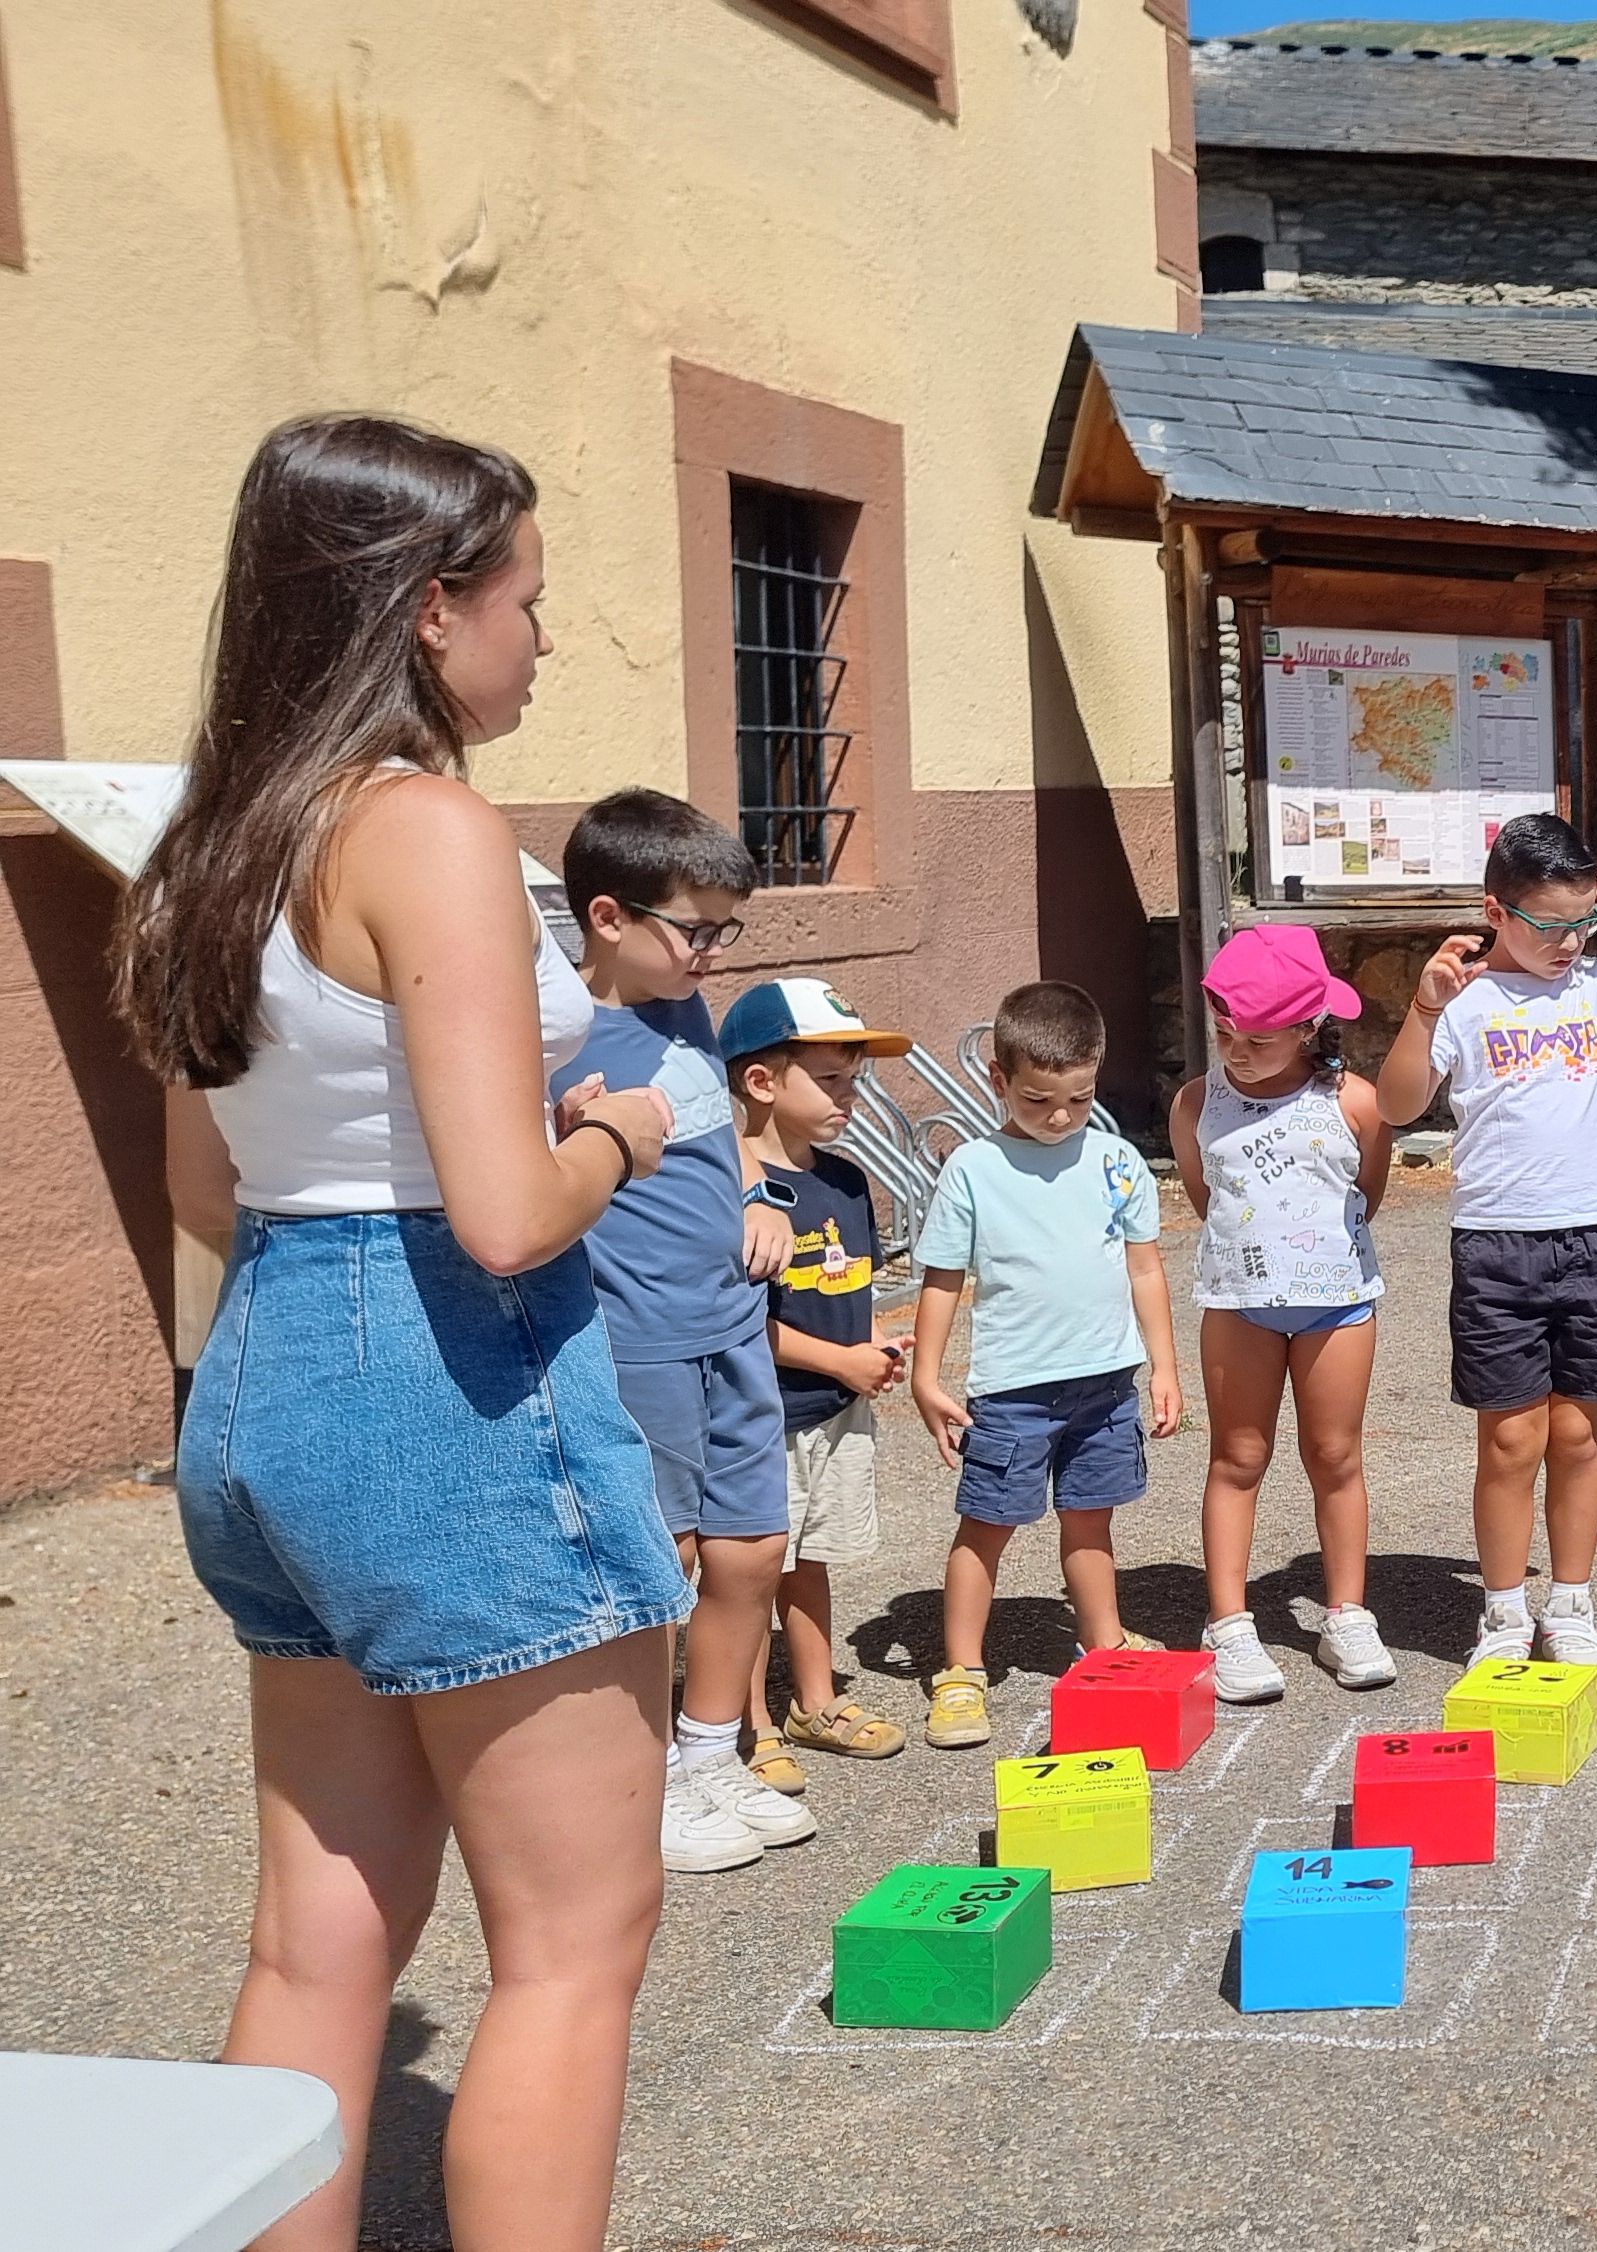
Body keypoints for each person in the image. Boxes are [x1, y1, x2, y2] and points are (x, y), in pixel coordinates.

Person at [123, 415, 682, 2250]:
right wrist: (624, 1124)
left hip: (270, 1360)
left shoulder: (211, 837)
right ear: (433, 611)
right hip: (446, 1363)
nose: (545, 639)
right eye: (527, 598)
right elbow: (505, 1208)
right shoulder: (424, 826)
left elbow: (206, 1194)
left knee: (317, 1938)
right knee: (569, 1948)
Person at [1377, 814, 1597, 1681]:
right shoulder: (1464, 1002)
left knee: (1578, 1435)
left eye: (1583, 923)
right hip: (1498, 1247)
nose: (1570, 942)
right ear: (1495, 910)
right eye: (1549, 925)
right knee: (1510, 1441)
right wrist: (1425, 1009)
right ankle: (1504, 1609)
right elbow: (1394, 1106)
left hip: (1595, 1239)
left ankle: (1570, 1604)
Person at [554, 789, 811, 1872]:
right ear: (608, 916)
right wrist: (562, 1132)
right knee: (664, 1559)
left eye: (724, 930)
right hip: (636, 1338)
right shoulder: (554, 1034)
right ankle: (641, 1778)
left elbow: (723, 1141)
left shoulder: (684, 1010)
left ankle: (710, 1754)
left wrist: (760, 1198)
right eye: (693, 928)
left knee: (754, 1548)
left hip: (731, 1323)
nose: (711, 953)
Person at [908, 981, 1184, 1747]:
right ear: (998, 1080)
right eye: (1037, 1100)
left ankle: (1106, 1643)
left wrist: (1163, 1365)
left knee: (1091, 1522)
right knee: (987, 1526)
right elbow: (942, 1278)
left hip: (1105, 1384)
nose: (1060, 1116)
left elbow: (1145, 1269)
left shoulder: (1118, 1160)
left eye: (1078, 1097)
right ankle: (961, 1671)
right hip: (1013, 1391)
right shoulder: (973, 1168)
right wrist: (925, 1377)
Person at [1170, 925, 1393, 1699]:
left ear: (1309, 1028)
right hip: (1239, 1304)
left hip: (1337, 1304)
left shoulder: (1354, 1101)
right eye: (1225, 1033)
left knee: (1336, 1457)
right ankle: (1229, 1623)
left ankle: (1347, 1613)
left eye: (1260, 1040)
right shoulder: (1198, 1102)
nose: (1238, 1051)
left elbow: (1368, 1197)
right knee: (1237, 1457)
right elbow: (1208, 1200)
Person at [720, 978, 914, 1792]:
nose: (850, 1096)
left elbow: (849, 1292)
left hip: (835, 1411)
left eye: (854, 1080)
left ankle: (816, 1700)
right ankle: (751, 1724)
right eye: (831, 1080)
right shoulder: (730, 1191)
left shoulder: (844, 1180)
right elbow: (737, 1322)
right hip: (761, 1415)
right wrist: (838, 1362)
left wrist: (871, 1343)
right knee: (754, 1566)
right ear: (762, 1082)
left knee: (813, 1560)